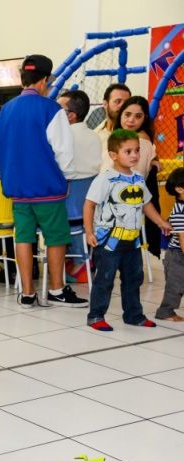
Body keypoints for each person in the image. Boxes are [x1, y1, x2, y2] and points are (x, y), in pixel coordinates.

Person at [0, 54, 87, 309]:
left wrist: (8, 176)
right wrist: (64, 178)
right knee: (55, 237)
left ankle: (27, 292)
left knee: (23, 237)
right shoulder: (51, 109)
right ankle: (56, 288)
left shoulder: (4, 111)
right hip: (48, 189)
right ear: (44, 80)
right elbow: (64, 152)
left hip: (18, 191)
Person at [84, 130, 171, 331]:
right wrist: (89, 232)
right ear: (114, 155)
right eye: (128, 151)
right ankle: (96, 315)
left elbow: (146, 203)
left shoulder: (138, 178)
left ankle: (133, 315)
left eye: (137, 151)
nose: (134, 155)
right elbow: (89, 205)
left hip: (133, 240)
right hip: (108, 240)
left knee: (133, 278)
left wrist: (160, 222)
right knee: (105, 279)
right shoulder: (105, 178)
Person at [58, 90, 103, 283]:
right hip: (90, 203)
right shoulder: (94, 136)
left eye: (58, 110)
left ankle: (77, 262)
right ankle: (82, 258)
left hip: (69, 204)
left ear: (71, 115)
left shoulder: (64, 138)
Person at [156, 168, 184, 322]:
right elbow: (182, 238)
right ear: (179, 189)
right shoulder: (180, 211)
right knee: (176, 285)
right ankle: (165, 311)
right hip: (177, 255)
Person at [113, 96, 156, 179]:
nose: (131, 120)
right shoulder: (121, 135)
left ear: (144, 118)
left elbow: (134, 177)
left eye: (138, 116)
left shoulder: (141, 141)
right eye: (127, 114)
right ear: (121, 114)